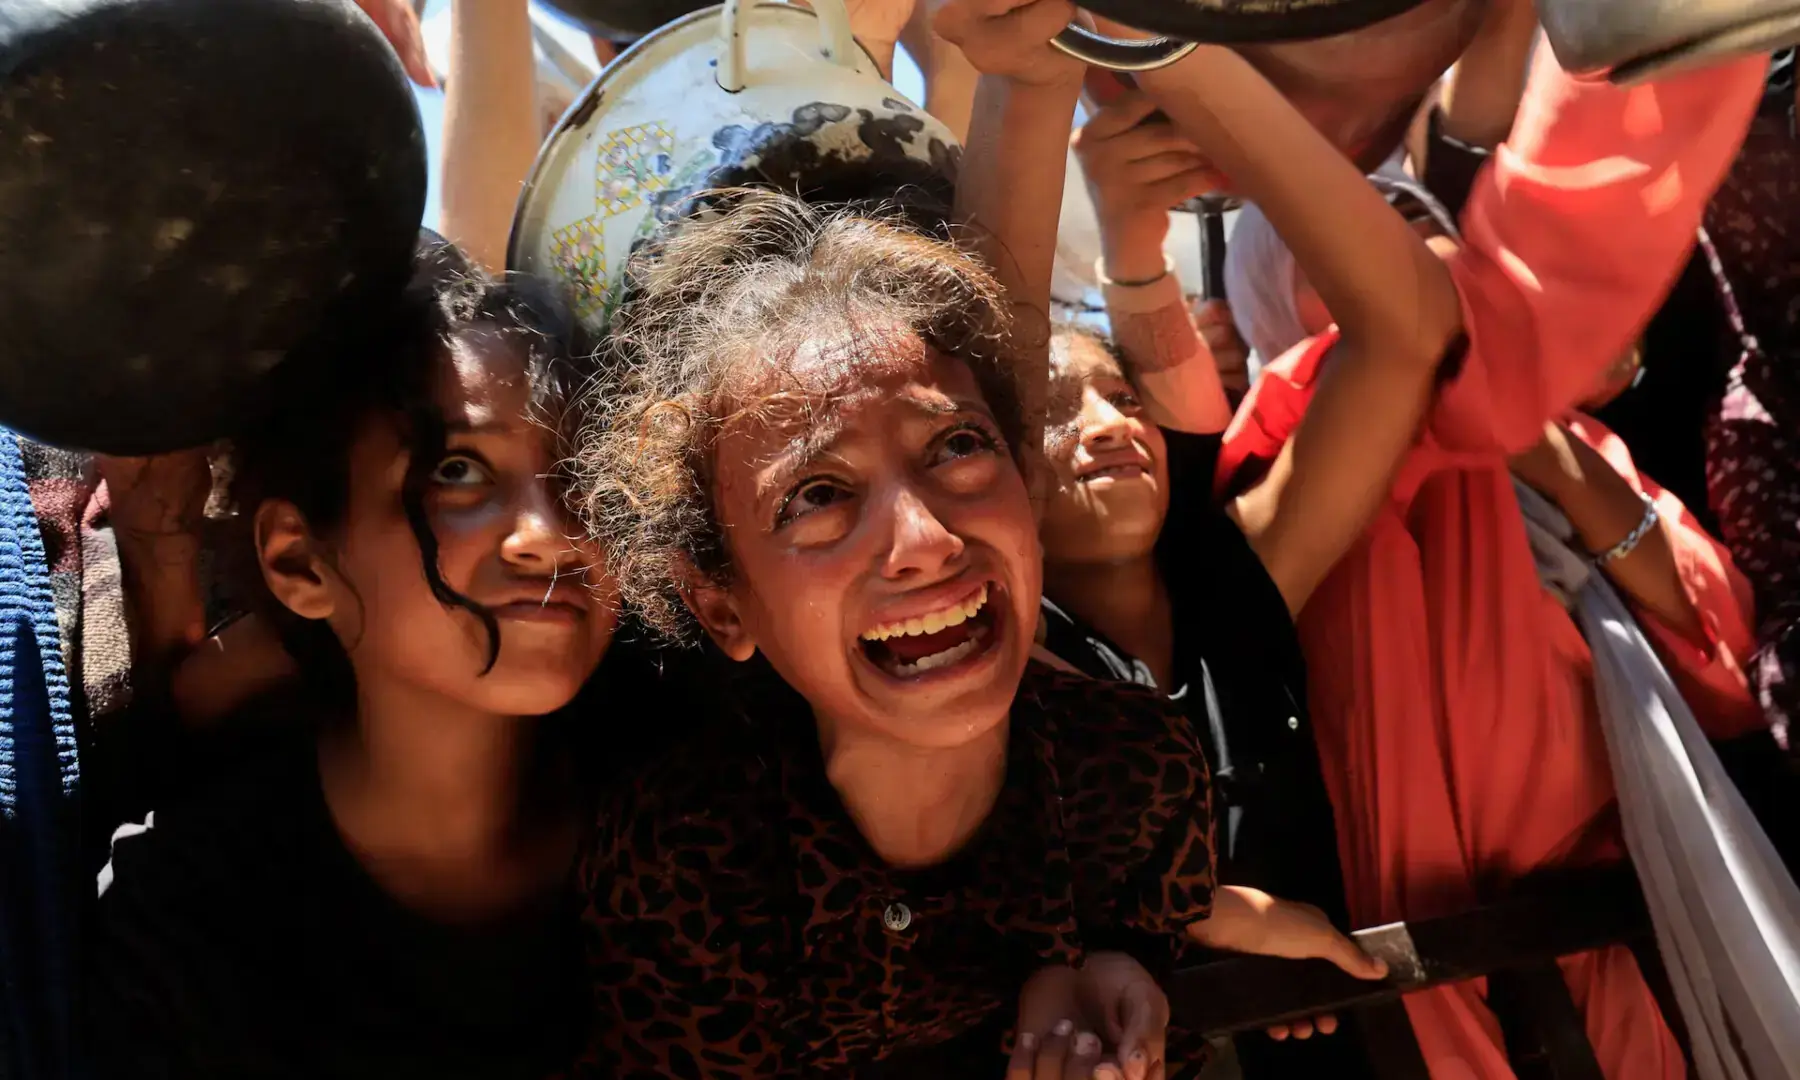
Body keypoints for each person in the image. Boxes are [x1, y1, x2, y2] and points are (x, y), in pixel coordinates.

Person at [561, 4, 1409, 1077]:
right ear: (721, 602)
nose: (924, 539)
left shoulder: (1137, 779)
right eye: (817, 495)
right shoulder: (685, 857)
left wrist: (1104, 981)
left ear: (1024, 483)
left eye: (958, 447)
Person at [1123, 39, 1769, 1079]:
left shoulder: (1567, 438)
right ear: (1287, 289)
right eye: (1357, 242)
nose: (1419, 260)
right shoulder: (1284, 467)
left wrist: (1542, 450)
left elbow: (1717, 631)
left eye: (1419, 231)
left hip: (1624, 906)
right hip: (1432, 947)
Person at [84, 237, 617, 1080]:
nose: (552, 536)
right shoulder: (191, 913)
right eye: (457, 471)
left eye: (583, 477)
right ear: (300, 562)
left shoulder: (699, 821)